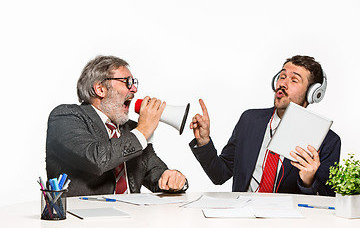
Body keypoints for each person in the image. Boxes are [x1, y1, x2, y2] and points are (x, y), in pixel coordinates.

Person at [189, 55, 340, 196]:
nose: (282, 84)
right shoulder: (250, 120)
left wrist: (309, 180)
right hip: (242, 216)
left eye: (294, 80)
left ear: (312, 93)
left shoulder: (328, 141)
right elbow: (219, 175)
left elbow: (328, 201)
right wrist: (204, 141)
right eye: (282, 76)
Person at [46, 55, 187, 197]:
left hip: (133, 216)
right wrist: (143, 131)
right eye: (127, 82)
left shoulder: (131, 129)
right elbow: (97, 160)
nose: (134, 90)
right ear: (100, 89)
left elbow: (156, 174)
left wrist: (174, 179)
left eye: (134, 83)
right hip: (84, 216)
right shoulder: (66, 116)